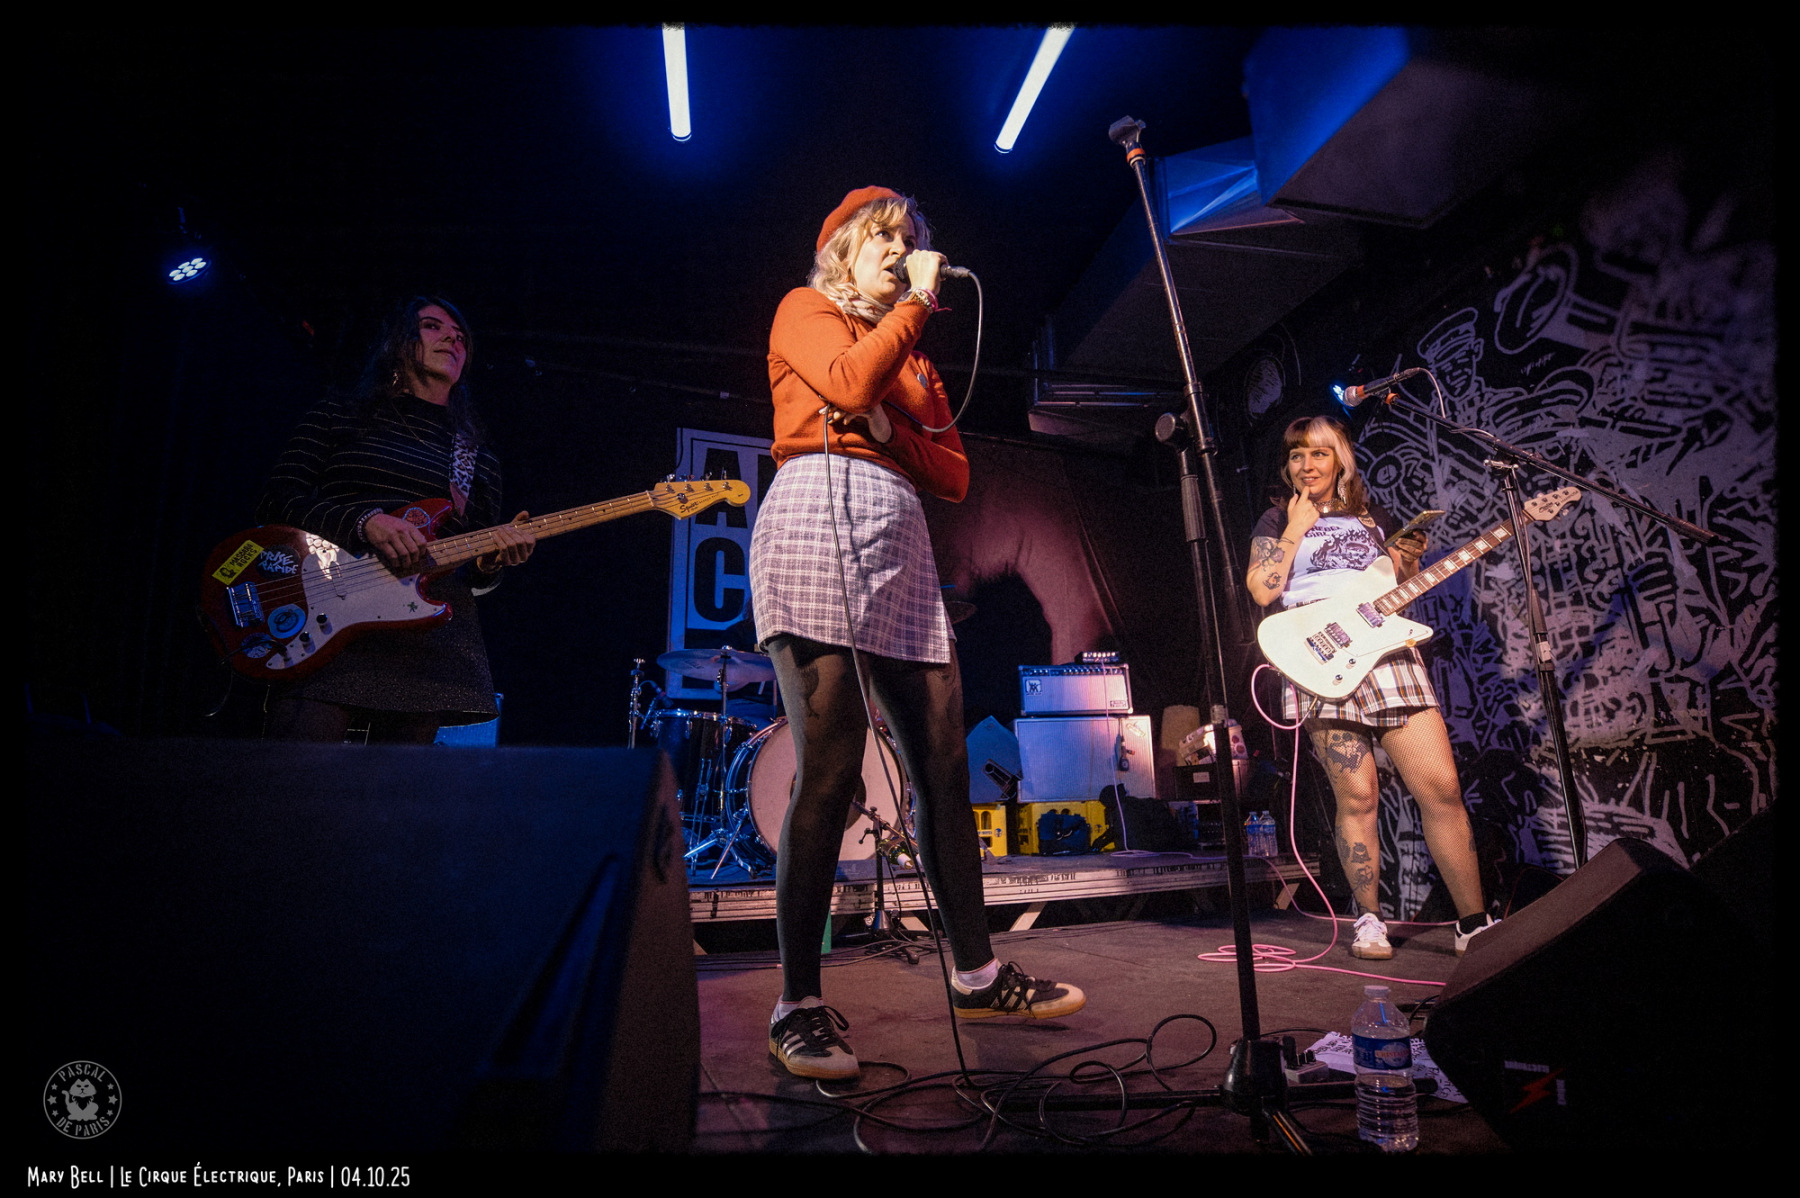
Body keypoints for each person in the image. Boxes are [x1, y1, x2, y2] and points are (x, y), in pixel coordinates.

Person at [751, 187, 1085, 1080]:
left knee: (942, 763)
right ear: (843, 248)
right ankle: (798, 1004)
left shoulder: (918, 360)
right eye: (885, 239)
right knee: (831, 766)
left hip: (897, 537)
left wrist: (889, 428)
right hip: (814, 518)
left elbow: (954, 475)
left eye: (910, 241)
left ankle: (976, 973)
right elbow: (847, 383)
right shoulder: (806, 310)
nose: (901, 253)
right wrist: (912, 317)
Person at [1247, 415, 1497, 960]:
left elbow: (1396, 588)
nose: (1306, 465)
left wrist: (1407, 562)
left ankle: (1474, 923)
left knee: (1442, 787)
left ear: (1339, 459)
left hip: (1387, 654)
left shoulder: (1373, 517)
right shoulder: (1276, 518)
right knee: (1358, 796)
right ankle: (1369, 919)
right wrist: (1293, 529)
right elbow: (1263, 590)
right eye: (1296, 455)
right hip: (1319, 657)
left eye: (1318, 453)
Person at [257, 296, 535, 743]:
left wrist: (489, 564)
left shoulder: (476, 457)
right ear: (399, 342)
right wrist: (365, 521)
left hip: (424, 635)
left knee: (398, 783)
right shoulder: (339, 413)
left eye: (461, 337)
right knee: (295, 772)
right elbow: (277, 501)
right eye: (432, 327)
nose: (452, 339)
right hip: (327, 605)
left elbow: (472, 575)